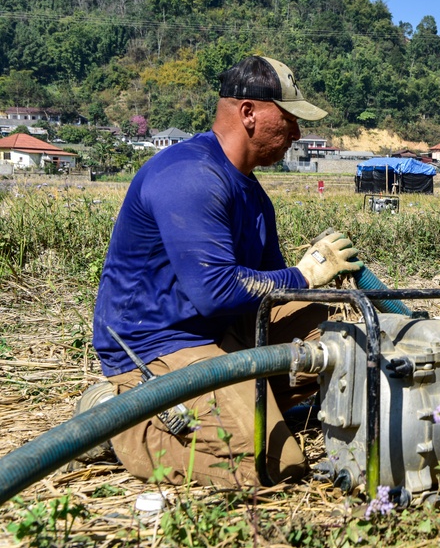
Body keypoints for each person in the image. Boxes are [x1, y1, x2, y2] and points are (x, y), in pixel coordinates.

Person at [91, 56, 363, 487]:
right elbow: (216, 290)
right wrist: (305, 274)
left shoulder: (251, 192)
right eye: (289, 119)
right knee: (269, 463)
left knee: (350, 336)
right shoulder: (189, 176)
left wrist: (318, 292)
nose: (296, 133)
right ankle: (117, 419)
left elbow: (272, 294)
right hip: (165, 341)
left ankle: (249, 402)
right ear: (249, 113)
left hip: (221, 329)